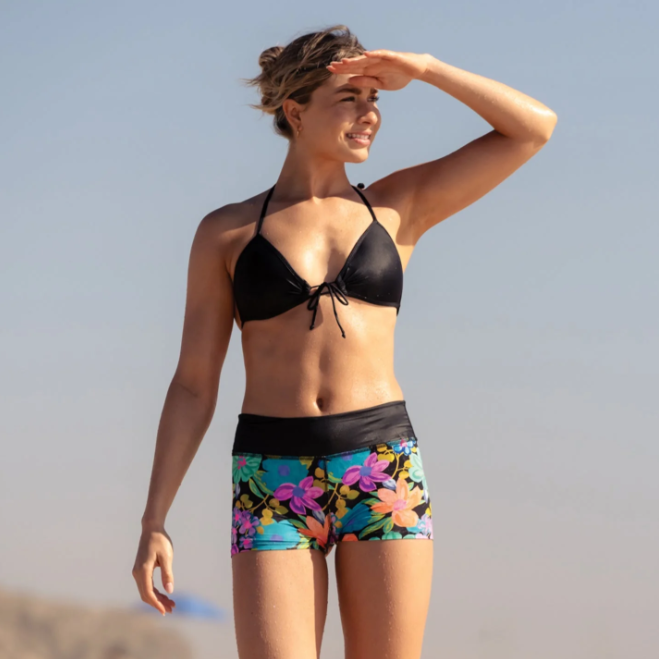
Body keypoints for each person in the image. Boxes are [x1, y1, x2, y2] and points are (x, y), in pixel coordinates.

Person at [132, 24, 557, 659]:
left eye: (375, 98)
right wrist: (154, 519)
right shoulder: (225, 233)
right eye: (349, 99)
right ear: (296, 111)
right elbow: (194, 384)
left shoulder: (397, 207)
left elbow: (533, 129)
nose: (369, 114)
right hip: (271, 478)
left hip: (381, 466)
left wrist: (425, 67)